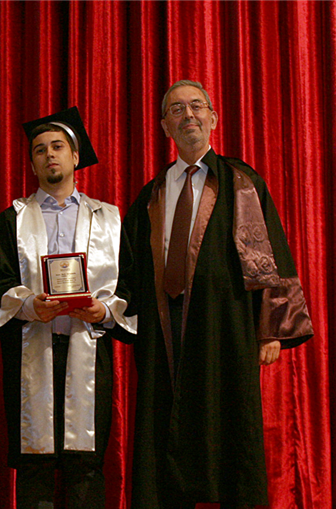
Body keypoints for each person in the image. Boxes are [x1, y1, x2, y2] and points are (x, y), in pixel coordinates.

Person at [114, 80, 314, 509]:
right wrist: (111, 311)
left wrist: (270, 329)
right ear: (165, 126)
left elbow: (268, 253)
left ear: (214, 118)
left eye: (196, 106)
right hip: (164, 332)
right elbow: (128, 267)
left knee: (230, 431)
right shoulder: (152, 194)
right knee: (164, 431)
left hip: (225, 327)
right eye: (176, 109)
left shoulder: (241, 182)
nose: (188, 115)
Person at [0, 107, 136, 509]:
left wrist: (104, 311)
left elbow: (130, 286)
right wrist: (29, 305)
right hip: (31, 351)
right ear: (32, 164)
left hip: (88, 350)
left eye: (57, 147)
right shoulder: (12, 220)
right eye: (39, 150)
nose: (49, 154)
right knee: (35, 464)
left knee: (86, 465)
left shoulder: (109, 219)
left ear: (75, 156)